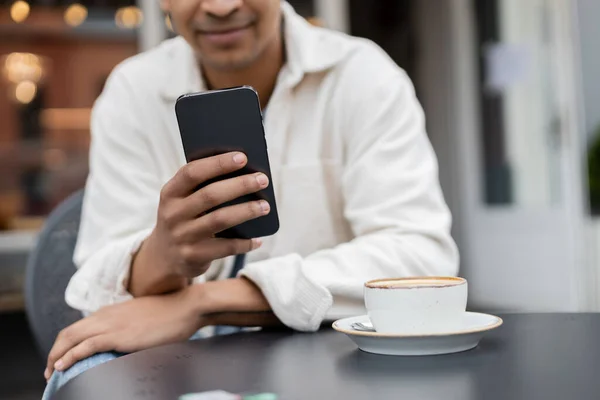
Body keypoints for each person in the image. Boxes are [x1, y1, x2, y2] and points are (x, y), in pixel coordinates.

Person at [42, 0, 459, 397]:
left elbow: (421, 256)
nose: (221, 7)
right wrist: (162, 254)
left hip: (331, 350)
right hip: (176, 358)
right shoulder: (133, 90)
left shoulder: (361, 75)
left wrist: (204, 303)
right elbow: (96, 284)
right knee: (79, 372)